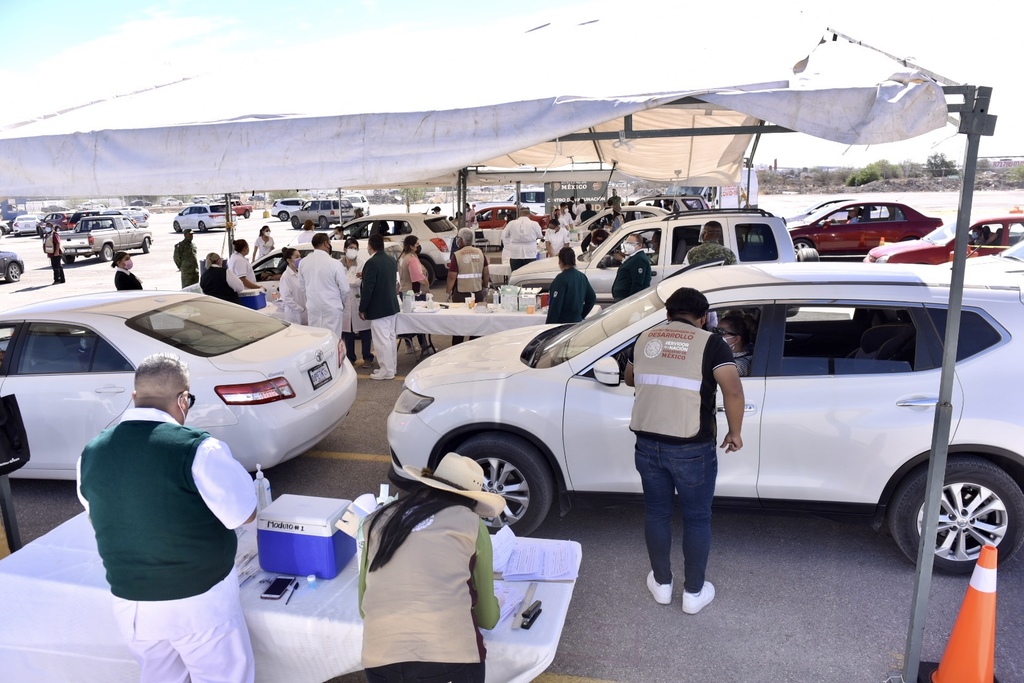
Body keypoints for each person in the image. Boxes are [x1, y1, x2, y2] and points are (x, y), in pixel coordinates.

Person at [77, 353, 258, 683]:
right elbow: (244, 514)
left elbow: (99, 515)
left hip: (131, 603)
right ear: (183, 400)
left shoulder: (91, 452)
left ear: (135, 396)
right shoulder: (199, 449)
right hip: (199, 601)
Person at [625, 287, 744, 615]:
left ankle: (662, 585)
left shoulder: (644, 338)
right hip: (693, 448)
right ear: (703, 317)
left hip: (647, 445)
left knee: (657, 514)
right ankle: (693, 593)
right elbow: (733, 390)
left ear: (668, 314)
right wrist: (735, 432)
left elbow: (630, 379)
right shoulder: (712, 344)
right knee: (696, 518)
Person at [359, 452, 503, 683]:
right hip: (450, 658)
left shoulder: (377, 519)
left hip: (379, 659)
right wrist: (498, 603)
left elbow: (363, 608)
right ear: (471, 500)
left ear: (429, 485)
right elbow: (487, 618)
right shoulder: (471, 523)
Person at [359, 233, 400, 381]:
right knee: (390, 338)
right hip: (391, 305)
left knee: (382, 341)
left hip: (378, 307)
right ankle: (391, 367)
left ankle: (386, 370)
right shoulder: (391, 260)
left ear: (370, 246)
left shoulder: (372, 263)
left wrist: (362, 308)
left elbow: (368, 288)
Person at [298, 233, 349, 339]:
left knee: (316, 339)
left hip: (313, 307)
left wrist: (312, 299)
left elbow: (302, 287)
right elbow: (345, 289)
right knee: (333, 339)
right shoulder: (334, 263)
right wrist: (341, 304)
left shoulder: (303, 263)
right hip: (332, 308)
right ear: (326, 244)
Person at [446, 227, 490, 346]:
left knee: (459, 324)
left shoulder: (457, 255)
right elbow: (486, 273)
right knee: (476, 324)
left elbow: (451, 276)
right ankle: (474, 347)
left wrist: (448, 292)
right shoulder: (480, 253)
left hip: (461, 294)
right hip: (477, 293)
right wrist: (485, 288)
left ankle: (457, 347)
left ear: (460, 240)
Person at [340, 238, 373, 368]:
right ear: (345, 249)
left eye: (355, 248)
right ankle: (350, 357)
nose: (353, 250)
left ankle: (367, 357)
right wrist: (350, 281)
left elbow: (358, 282)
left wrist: (344, 282)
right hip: (344, 303)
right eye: (350, 248)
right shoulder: (338, 264)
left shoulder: (362, 263)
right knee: (348, 333)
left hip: (358, 299)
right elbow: (338, 282)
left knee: (365, 331)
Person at [397, 235, 430, 357]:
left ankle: (409, 345)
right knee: (419, 321)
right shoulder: (412, 259)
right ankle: (424, 346)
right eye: (417, 244)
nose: (418, 246)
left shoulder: (402, 257)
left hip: (404, 291)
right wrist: (426, 281)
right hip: (415, 293)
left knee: (408, 320)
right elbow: (417, 277)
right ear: (411, 246)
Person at [546, 247, 596, 324]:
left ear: (560, 261)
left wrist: (549, 326)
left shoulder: (561, 279)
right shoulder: (582, 276)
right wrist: (581, 315)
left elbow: (555, 306)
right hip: (577, 322)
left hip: (562, 324)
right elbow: (592, 298)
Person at [611, 233, 652, 301]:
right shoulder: (633, 257)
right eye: (627, 243)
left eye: (631, 244)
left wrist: (632, 300)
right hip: (622, 297)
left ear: (639, 245)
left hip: (627, 298)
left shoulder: (639, 259)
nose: (628, 245)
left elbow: (637, 282)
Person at [501, 206, 542, 272]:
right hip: (530, 252)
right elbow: (540, 235)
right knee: (529, 273)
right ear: (529, 214)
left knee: (515, 273)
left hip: (515, 253)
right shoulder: (534, 224)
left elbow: (505, 235)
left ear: (520, 213)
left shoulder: (511, 223)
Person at [277, 246, 307, 325]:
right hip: (295, 315)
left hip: (304, 313)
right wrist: (300, 309)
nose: (299, 259)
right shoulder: (286, 276)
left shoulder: (299, 273)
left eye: (300, 256)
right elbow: (286, 298)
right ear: (289, 260)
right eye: (297, 257)